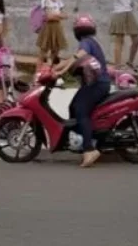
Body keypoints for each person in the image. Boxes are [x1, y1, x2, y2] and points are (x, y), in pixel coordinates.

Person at [52, 15, 112, 168]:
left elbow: (77, 57)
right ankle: (83, 139)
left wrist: (62, 70)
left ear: (76, 31)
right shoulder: (91, 41)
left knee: (80, 110)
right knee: (73, 107)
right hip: (97, 84)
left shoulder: (86, 43)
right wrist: (52, 69)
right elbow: (70, 60)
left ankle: (89, 149)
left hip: (97, 84)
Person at [109, 0, 138, 71]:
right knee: (119, 40)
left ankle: (130, 62)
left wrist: (134, 4)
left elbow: (128, 1)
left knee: (136, 40)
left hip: (129, 14)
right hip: (119, 14)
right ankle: (117, 65)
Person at [36, 0, 67, 66]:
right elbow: (49, 17)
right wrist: (59, 16)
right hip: (48, 27)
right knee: (43, 50)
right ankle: (38, 71)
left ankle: (50, 69)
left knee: (56, 49)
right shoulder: (45, 1)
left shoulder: (59, 2)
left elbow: (64, 15)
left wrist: (57, 16)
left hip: (57, 27)